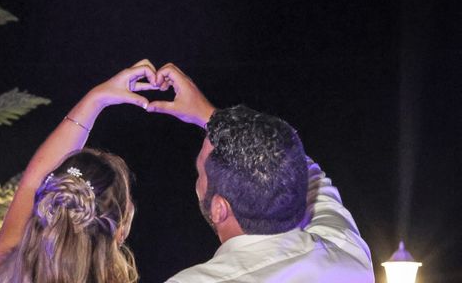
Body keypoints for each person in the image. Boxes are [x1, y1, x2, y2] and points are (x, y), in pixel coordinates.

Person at [146, 63, 375, 283]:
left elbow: (304, 171)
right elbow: (305, 171)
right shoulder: (347, 258)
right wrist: (211, 117)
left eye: (200, 173)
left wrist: (107, 96)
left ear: (219, 209)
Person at [0, 60, 158, 283]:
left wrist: (96, 98)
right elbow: (33, 182)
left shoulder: (4, 272)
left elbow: (33, 180)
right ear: (120, 233)